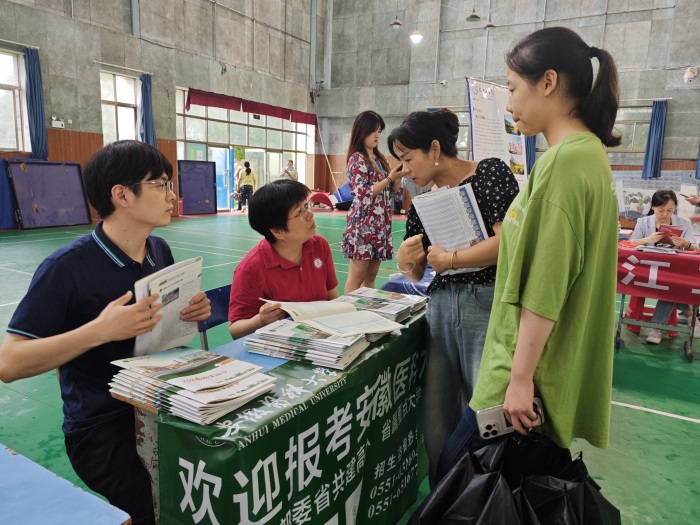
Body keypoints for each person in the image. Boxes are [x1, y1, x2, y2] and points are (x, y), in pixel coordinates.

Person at [437, 27, 622, 481]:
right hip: (542, 368)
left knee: (454, 478)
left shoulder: (564, 164)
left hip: (519, 377)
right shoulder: (588, 156)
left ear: (548, 82)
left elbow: (547, 282)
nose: (509, 104)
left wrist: (519, 380)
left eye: (514, 88)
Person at [0, 140, 212, 524]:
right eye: (161, 185)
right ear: (122, 195)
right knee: (155, 509)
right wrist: (98, 331)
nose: (172, 195)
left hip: (158, 401)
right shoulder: (65, 269)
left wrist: (190, 312)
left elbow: (163, 327)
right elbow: (9, 363)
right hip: (102, 426)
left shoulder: (159, 250)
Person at [389, 109, 519, 483]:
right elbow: (416, 271)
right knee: (437, 416)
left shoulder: (489, 173)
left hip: (486, 301)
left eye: (407, 159)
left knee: (487, 409)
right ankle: (443, 497)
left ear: (434, 149)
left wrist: (452, 260)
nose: (404, 171)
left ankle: (488, 496)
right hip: (442, 308)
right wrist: (405, 260)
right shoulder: (424, 200)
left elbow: (507, 243)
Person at [228, 180, 339, 339]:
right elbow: (235, 330)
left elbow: (331, 299)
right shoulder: (251, 268)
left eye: (306, 206)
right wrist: (259, 321)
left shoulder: (319, 246)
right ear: (278, 231)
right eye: (299, 212)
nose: (310, 214)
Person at [341, 110, 403, 293]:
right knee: (357, 277)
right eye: (373, 131)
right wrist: (389, 179)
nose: (377, 135)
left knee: (371, 277)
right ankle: (348, 309)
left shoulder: (379, 159)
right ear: (362, 131)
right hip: (363, 225)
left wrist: (398, 177)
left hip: (380, 225)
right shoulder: (357, 159)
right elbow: (362, 193)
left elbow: (392, 191)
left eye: (379, 131)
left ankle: (367, 307)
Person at [629, 189, 699, 343]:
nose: (665, 214)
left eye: (670, 210)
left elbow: (696, 248)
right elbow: (631, 243)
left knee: (670, 283)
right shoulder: (643, 222)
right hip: (648, 269)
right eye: (661, 210)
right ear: (653, 207)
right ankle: (689, 315)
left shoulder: (684, 223)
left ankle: (656, 328)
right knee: (671, 285)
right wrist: (647, 239)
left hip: (673, 270)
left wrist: (686, 244)